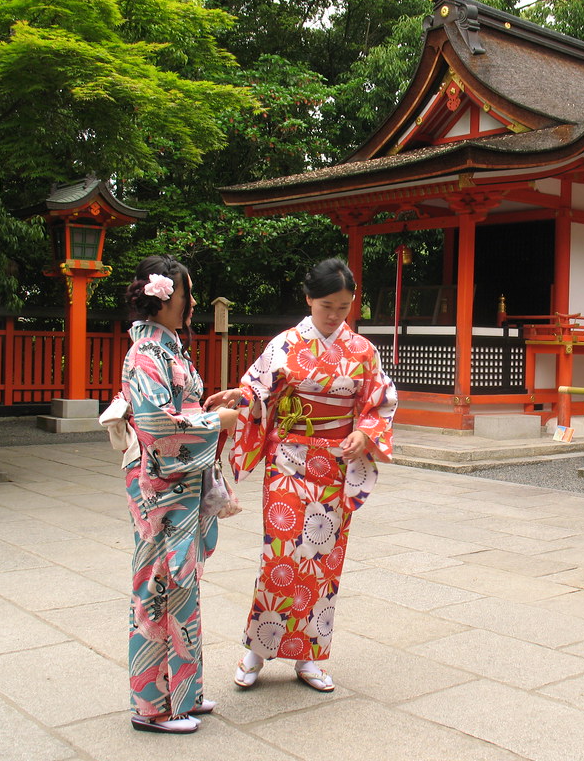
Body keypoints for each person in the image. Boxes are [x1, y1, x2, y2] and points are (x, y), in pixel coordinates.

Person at [204, 258, 397, 692]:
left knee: (324, 561)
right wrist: (243, 393)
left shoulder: (363, 352)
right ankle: (257, 649)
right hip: (288, 461)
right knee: (281, 554)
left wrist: (365, 436)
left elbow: (380, 402)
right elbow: (259, 388)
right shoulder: (285, 344)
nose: (334, 315)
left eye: (344, 307)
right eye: (327, 305)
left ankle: (310, 656)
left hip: (334, 465)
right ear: (308, 299)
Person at [119, 255, 240, 734]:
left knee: (182, 582)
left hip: (177, 480)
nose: (192, 303)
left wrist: (211, 406)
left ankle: (183, 691)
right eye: (187, 294)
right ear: (165, 297)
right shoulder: (145, 354)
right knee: (159, 585)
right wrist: (216, 422)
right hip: (159, 482)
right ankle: (151, 706)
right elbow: (155, 425)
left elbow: (178, 409)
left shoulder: (165, 348)